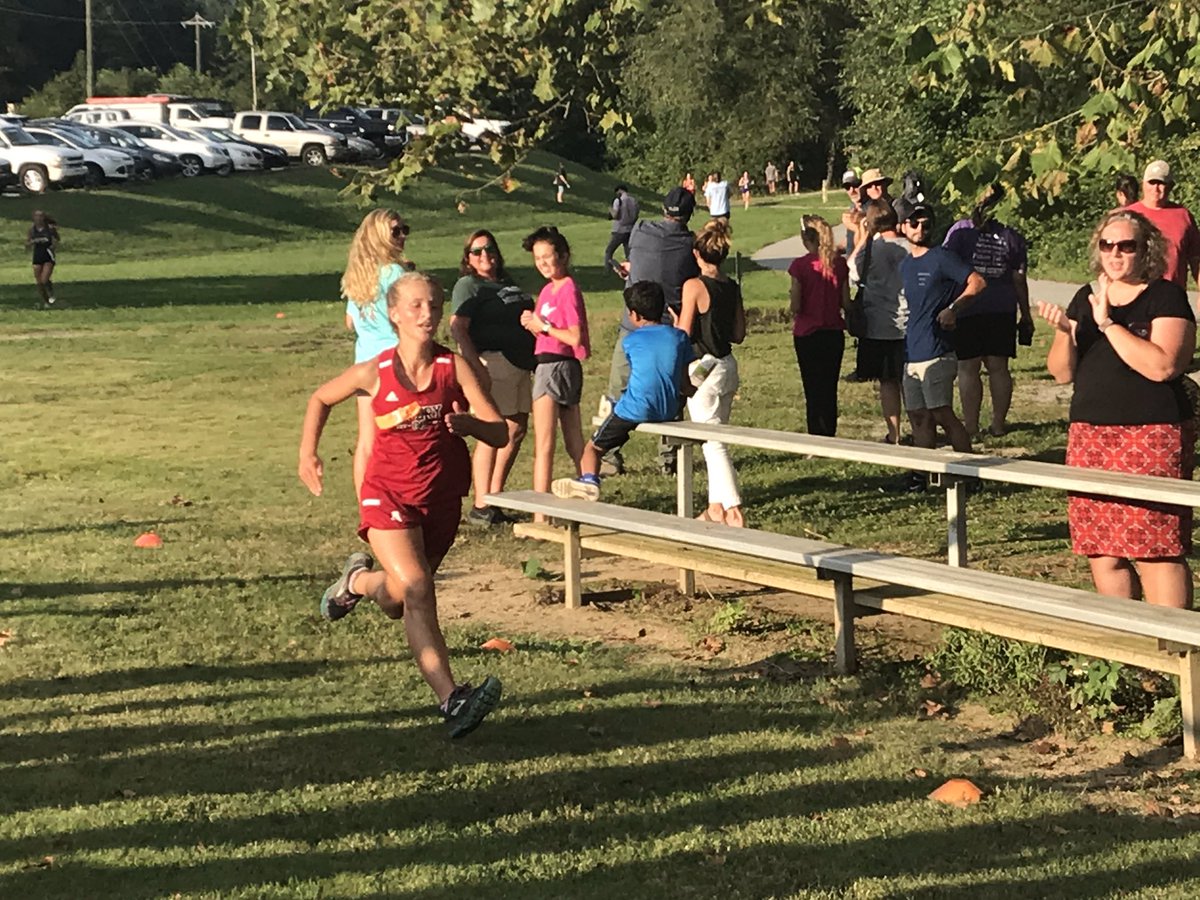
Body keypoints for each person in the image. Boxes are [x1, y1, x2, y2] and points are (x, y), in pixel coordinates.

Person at [298, 272, 508, 738]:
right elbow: (321, 398)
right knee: (417, 587)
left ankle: (357, 580)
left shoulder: (455, 369)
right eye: (415, 306)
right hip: (386, 496)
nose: (427, 314)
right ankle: (453, 700)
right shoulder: (375, 372)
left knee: (397, 599)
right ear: (393, 314)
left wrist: (470, 425)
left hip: (440, 501)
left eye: (433, 305)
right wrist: (307, 452)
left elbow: (501, 430)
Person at [1037, 209, 1196, 608]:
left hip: (1151, 436)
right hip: (1090, 437)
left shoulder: (1165, 296)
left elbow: (1163, 366)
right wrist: (1064, 334)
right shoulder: (1086, 296)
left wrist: (1108, 324)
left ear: (1146, 251)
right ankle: (1127, 649)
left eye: (1127, 245)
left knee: (1155, 548)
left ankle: (1172, 650)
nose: (1116, 253)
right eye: (1108, 245)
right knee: (1102, 549)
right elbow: (1061, 373)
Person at [551, 281, 692, 502]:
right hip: (668, 410)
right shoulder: (679, 337)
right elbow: (684, 384)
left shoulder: (631, 340)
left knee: (593, 447)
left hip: (634, 409)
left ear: (634, 315)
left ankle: (589, 481)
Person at [606, 187, 700, 475]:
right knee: (671, 390)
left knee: (617, 388)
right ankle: (669, 458)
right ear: (688, 215)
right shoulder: (690, 245)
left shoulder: (641, 230)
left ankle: (609, 453)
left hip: (632, 323)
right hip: (668, 330)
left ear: (663, 209)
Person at [449, 229, 536, 527]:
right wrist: (475, 365)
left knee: (516, 430)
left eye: (489, 248)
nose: (485, 255)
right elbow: (458, 327)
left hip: (520, 363)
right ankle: (482, 503)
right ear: (468, 258)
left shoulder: (507, 282)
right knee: (492, 431)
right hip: (493, 362)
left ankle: (495, 497)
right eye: (477, 251)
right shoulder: (468, 285)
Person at [897, 200, 986, 479]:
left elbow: (978, 282)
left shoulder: (942, 257)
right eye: (914, 223)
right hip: (912, 350)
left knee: (941, 413)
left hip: (938, 350)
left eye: (926, 223)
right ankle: (921, 476)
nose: (920, 228)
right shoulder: (904, 265)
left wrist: (954, 308)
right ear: (902, 227)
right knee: (918, 417)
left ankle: (970, 474)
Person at [943, 183, 1034, 438]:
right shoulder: (1011, 235)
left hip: (968, 304)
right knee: (998, 367)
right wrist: (1025, 314)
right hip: (1001, 307)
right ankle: (998, 424)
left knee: (968, 368)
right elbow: (1018, 279)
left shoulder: (960, 231)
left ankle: (970, 425)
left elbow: (947, 266)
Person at [677, 220, 747, 526]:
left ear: (696, 254)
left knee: (711, 441)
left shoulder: (694, 286)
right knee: (717, 436)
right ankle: (715, 506)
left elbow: (683, 331)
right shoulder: (732, 286)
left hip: (702, 367)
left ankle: (733, 508)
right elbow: (739, 333)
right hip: (727, 365)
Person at [341, 209, 415, 496]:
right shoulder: (395, 273)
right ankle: (399, 496)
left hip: (364, 364)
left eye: (404, 229)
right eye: (395, 231)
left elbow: (350, 322)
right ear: (379, 237)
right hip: (394, 363)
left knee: (367, 441)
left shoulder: (358, 276)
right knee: (401, 437)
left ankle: (367, 503)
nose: (403, 236)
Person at [520, 226, 590, 512]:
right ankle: (588, 489)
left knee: (545, 444)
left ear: (563, 255)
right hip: (551, 363)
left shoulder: (567, 289)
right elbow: (548, 334)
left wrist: (543, 326)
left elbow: (574, 337)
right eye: (538, 259)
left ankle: (541, 515)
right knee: (574, 441)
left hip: (556, 368)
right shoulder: (548, 290)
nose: (543, 264)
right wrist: (533, 326)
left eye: (548, 257)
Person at [850, 202, 909, 444]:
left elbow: (852, 272)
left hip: (878, 325)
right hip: (909, 323)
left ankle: (894, 433)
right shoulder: (910, 247)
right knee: (909, 381)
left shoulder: (871, 250)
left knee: (887, 382)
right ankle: (919, 426)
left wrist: (863, 236)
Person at [789, 215, 848, 437]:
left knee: (812, 388)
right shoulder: (838, 264)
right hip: (833, 332)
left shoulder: (800, 266)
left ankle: (815, 435)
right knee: (829, 387)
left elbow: (796, 305)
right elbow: (845, 302)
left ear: (806, 238)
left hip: (807, 333)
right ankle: (829, 433)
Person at [1123, 160, 1200, 289]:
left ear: (1170, 186)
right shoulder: (1127, 216)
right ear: (1143, 184)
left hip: (1173, 296)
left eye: (1161, 183)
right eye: (1151, 182)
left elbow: (1196, 258)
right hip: (1135, 295)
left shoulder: (1183, 216)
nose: (1156, 188)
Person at [605, 184, 640, 275]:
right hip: (630, 229)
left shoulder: (618, 200)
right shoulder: (634, 200)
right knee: (628, 252)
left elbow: (615, 215)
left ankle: (608, 271)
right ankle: (631, 270)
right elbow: (636, 214)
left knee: (609, 251)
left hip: (619, 230)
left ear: (620, 190)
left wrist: (610, 210)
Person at [26, 210, 59, 307]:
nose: (38, 218)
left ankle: (51, 292)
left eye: (40, 216)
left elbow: (56, 240)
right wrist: (31, 243)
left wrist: (53, 246)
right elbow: (27, 243)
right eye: (36, 216)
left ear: (44, 217)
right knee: (39, 282)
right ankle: (46, 301)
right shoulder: (32, 230)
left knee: (44, 279)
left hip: (48, 255)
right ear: (33, 218)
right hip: (37, 256)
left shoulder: (50, 229)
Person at [840, 169, 863, 256]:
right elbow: (850, 239)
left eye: (855, 185)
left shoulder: (873, 209)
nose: (852, 190)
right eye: (847, 187)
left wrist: (854, 227)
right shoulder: (853, 208)